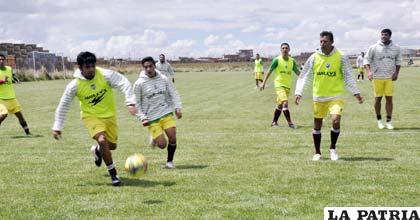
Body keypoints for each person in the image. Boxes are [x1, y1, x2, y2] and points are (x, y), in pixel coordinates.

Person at [52, 51, 136, 186]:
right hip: (90, 117)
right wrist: (57, 126)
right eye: (87, 67)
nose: (91, 69)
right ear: (80, 67)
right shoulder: (74, 85)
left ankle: (97, 151)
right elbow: (63, 105)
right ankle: (113, 174)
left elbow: (124, 83)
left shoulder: (105, 75)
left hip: (109, 116)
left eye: (93, 66)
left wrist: (130, 102)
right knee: (102, 140)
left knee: (112, 146)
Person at [295, 31, 363, 161]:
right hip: (319, 96)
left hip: (335, 96)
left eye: (325, 41)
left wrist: (356, 92)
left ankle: (332, 149)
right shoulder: (314, 57)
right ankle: (317, 152)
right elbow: (305, 76)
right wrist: (299, 92)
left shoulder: (341, 56)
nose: (322, 44)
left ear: (332, 42)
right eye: (321, 41)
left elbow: (348, 75)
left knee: (336, 120)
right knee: (317, 125)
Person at [133, 56, 182, 169]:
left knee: (173, 138)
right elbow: (137, 103)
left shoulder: (164, 78)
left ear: (155, 66)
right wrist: (142, 117)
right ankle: (155, 139)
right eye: (146, 67)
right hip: (151, 118)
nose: (148, 69)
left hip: (166, 112)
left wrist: (177, 108)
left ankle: (169, 162)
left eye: (150, 66)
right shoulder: (139, 83)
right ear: (143, 68)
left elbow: (173, 92)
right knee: (162, 145)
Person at [364, 28, 402, 130]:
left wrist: (396, 73)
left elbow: (398, 61)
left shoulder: (396, 48)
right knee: (378, 99)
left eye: (385, 35)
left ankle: (389, 121)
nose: (383, 36)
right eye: (382, 34)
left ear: (390, 36)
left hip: (389, 78)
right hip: (377, 77)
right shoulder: (374, 47)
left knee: (389, 99)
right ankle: (379, 121)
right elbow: (366, 59)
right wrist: (369, 72)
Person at [260, 43, 300, 128]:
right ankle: (290, 123)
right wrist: (263, 83)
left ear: (289, 50)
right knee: (285, 103)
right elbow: (269, 71)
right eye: (283, 48)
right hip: (279, 85)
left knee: (280, 105)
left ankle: (274, 122)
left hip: (288, 86)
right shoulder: (276, 60)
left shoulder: (292, 61)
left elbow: (297, 72)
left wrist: (304, 79)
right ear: (280, 50)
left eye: (286, 48)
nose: (285, 49)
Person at [0, 54, 31, 135]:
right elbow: (3, 80)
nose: (1, 61)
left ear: (5, 61)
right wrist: (2, 81)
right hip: (1, 99)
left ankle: (27, 132)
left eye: (3, 59)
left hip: (12, 98)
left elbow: (12, 76)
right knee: (4, 114)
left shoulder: (9, 69)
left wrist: (16, 80)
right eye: (0, 60)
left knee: (20, 115)